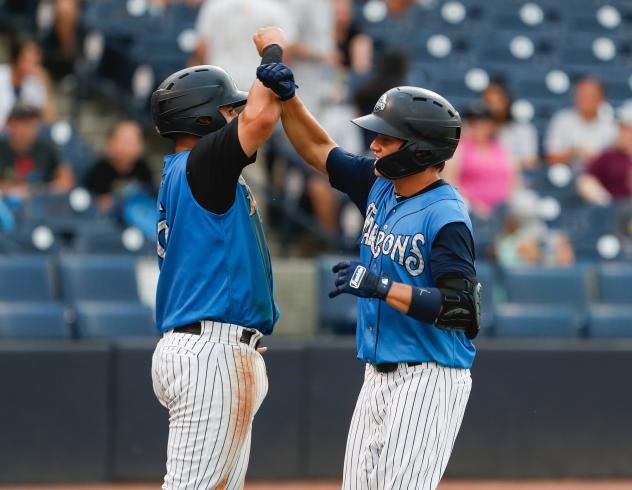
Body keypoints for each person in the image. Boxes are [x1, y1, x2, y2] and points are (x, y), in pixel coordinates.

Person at [258, 63, 480, 489]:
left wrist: (382, 287)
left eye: (387, 137)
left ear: (419, 149)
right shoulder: (379, 183)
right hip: (377, 375)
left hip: (429, 379)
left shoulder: (446, 216)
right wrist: (289, 99)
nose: (374, 144)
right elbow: (319, 149)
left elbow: (461, 309)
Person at [150, 27, 291, 490]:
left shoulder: (188, 171)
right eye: (227, 108)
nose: (236, 114)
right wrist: (271, 51)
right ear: (203, 118)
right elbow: (263, 117)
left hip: (209, 344)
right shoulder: (202, 164)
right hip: (209, 352)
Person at [192, 0, 296, 90]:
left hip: (220, 82)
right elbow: (285, 53)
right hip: (259, 84)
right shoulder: (276, 9)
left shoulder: (214, 5)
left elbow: (202, 49)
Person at [442, 101, 518, 218]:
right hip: (468, 206)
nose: (478, 125)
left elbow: (513, 181)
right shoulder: (459, 148)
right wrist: (475, 204)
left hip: (502, 208)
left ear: (491, 125)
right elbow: (450, 183)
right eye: (473, 122)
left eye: (483, 121)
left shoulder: (502, 147)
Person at [0, 104, 73, 197]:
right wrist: (13, 190)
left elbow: (66, 180)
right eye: (20, 123)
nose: (24, 130)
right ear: (10, 125)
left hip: (41, 206)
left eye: (29, 124)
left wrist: (38, 190)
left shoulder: (46, 148)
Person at [545, 78, 617, 168]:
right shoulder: (562, 120)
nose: (585, 99)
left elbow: (620, 161)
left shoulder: (611, 125)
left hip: (602, 177)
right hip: (568, 177)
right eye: (581, 95)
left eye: (591, 95)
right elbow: (551, 158)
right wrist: (574, 153)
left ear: (601, 98)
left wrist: (597, 157)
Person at [84, 120, 154, 211]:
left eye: (135, 141)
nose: (130, 148)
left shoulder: (143, 169)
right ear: (111, 143)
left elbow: (150, 197)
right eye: (126, 142)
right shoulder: (99, 171)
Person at [577, 100, 632, 205]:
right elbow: (586, 181)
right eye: (622, 128)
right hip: (615, 213)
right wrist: (606, 202)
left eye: (627, 129)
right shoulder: (608, 157)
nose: (623, 133)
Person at [0, 33, 57, 129]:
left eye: (36, 55)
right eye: (30, 54)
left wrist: (45, 86)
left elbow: (50, 121)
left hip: (21, 141)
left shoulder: (34, 82)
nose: (35, 59)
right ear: (16, 57)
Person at [482, 80, 539, 170]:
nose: (493, 107)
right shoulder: (473, 129)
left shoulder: (523, 129)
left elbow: (530, 162)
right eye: (488, 102)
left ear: (507, 101)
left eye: (497, 101)